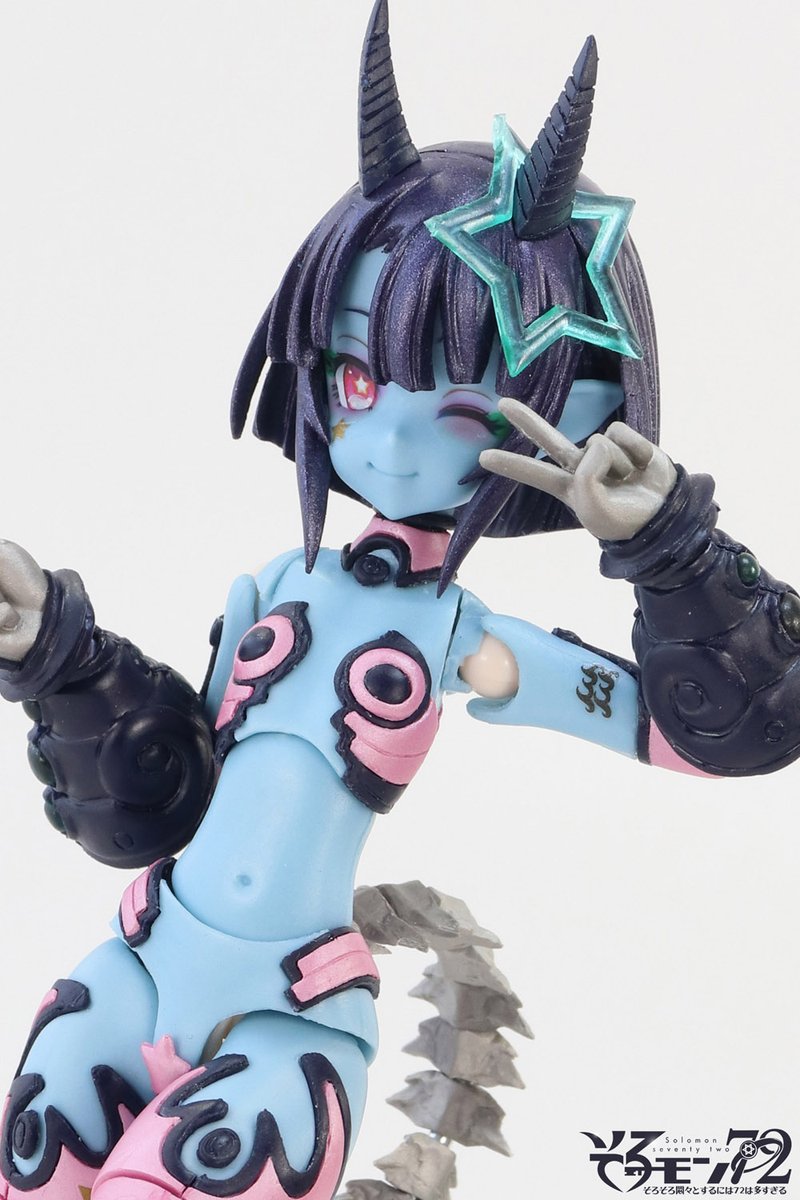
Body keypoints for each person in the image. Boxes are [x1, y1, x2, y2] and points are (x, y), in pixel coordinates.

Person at [0, 4, 797, 1199]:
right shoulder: (272, 589)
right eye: (359, 377)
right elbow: (160, 799)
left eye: (463, 408)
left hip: (285, 1021)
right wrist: (64, 664)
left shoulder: (458, 642)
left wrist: (674, 553)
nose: (383, 436)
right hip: (132, 963)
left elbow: (696, 735)